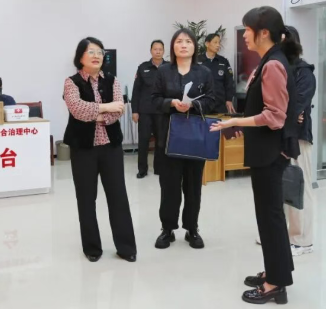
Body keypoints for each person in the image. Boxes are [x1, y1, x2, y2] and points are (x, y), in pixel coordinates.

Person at [211, 6, 300, 305]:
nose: (245, 35)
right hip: (266, 151)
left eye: (248, 30)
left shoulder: (273, 64)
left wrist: (236, 122)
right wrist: (241, 123)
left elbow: (274, 116)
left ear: (264, 33)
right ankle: (276, 271)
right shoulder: (270, 60)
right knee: (270, 216)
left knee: (270, 218)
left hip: (269, 154)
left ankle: (275, 284)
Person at [62, 37, 137, 263]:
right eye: (91, 52)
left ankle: (126, 247)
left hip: (111, 147)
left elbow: (118, 110)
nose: (97, 56)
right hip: (83, 148)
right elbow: (77, 110)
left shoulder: (112, 80)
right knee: (86, 198)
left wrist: (97, 114)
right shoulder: (71, 82)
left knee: (118, 196)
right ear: (80, 57)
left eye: (100, 52)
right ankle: (92, 247)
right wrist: (105, 108)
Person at [151, 28, 215, 250]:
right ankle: (167, 229)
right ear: (173, 46)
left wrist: (193, 105)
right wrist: (171, 103)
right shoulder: (163, 71)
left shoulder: (204, 72)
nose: (184, 45)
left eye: (188, 41)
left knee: (193, 186)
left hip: (195, 138)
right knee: (169, 186)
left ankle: (192, 229)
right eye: (179, 41)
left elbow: (212, 100)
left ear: (195, 46)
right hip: (169, 137)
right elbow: (153, 100)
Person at [285, 26, 316, 256]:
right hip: (278, 135)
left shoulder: (304, 72)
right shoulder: (277, 68)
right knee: (282, 187)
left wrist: (288, 112)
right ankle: (284, 233)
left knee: (300, 186)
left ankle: (303, 240)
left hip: (298, 137)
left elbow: (297, 104)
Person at [132, 39, 168, 178]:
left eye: (160, 49)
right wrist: (135, 111)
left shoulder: (170, 67)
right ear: (151, 51)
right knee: (144, 141)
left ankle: (159, 168)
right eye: (155, 49)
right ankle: (142, 169)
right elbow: (136, 90)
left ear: (163, 51)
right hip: (145, 111)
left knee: (161, 141)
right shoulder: (143, 67)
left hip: (162, 110)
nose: (158, 51)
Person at [198, 33, 236, 113]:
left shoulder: (223, 61)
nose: (218, 45)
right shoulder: (197, 60)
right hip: (202, 102)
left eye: (219, 42)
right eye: (215, 42)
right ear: (207, 44)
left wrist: (229, 99)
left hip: (219, 103)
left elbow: (229, 82)